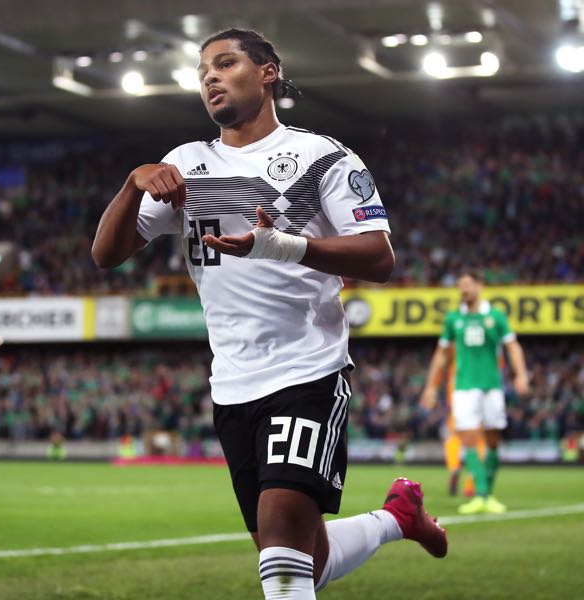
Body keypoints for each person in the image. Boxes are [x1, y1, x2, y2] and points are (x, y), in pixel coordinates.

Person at [92, 28, 447, 599]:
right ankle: (398, 519)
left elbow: (380, 256)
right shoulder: (185, 165)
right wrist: (133, 185)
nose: (210, 77)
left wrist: (280, 244)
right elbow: (106, 255)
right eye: (203, 69)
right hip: (232, 386)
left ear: (268, 72)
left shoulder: (321, 156)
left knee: (283, 559)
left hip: (307, 373)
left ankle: (392, 521)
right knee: (305, 558)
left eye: (225, 63)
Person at [421, 268, 529, 515]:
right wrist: (431, 386)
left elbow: (513, 347)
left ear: (480, 285)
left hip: (492, 387)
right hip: (463, 388)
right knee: (468, 436)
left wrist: (521, 374)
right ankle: (480, 494)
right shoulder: (452, 319)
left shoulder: (496, 316)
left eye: (467, 284)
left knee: (492, 440)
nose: (463, 290)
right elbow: (440, 355)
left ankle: (488, 493)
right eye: (460, 285)